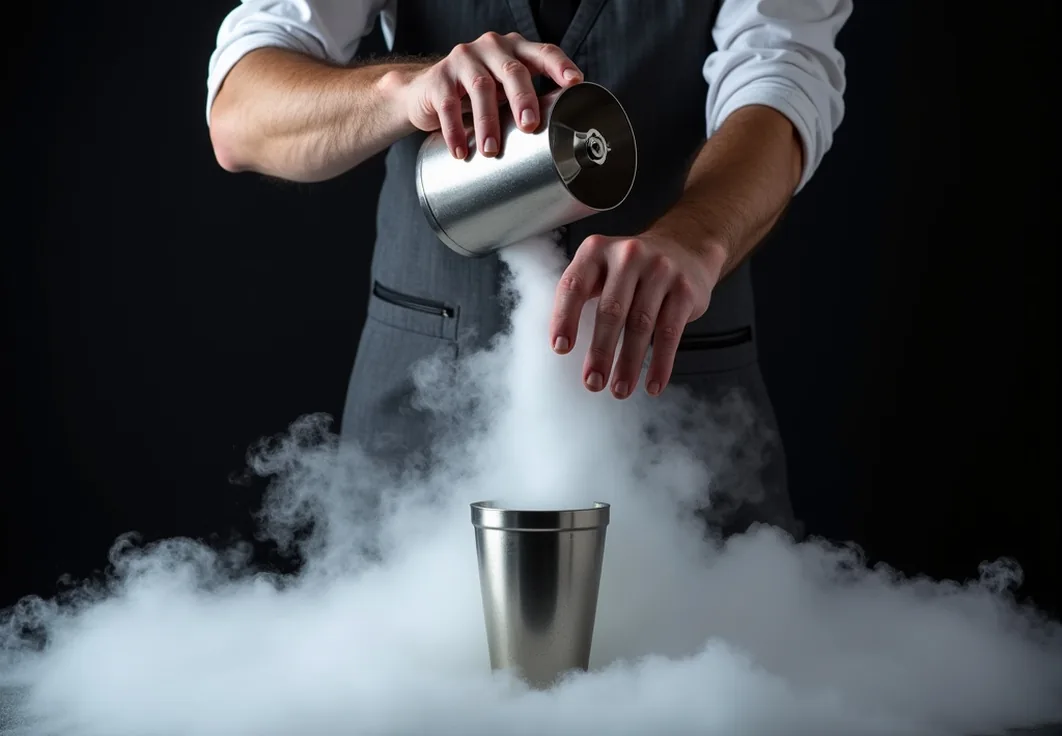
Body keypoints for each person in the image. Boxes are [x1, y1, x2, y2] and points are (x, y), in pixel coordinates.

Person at [205, 0, 850, 538]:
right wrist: (400, 91)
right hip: (416, 419)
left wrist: (697, 235)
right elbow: (241, 112)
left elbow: (783, 73)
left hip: (683, 411)